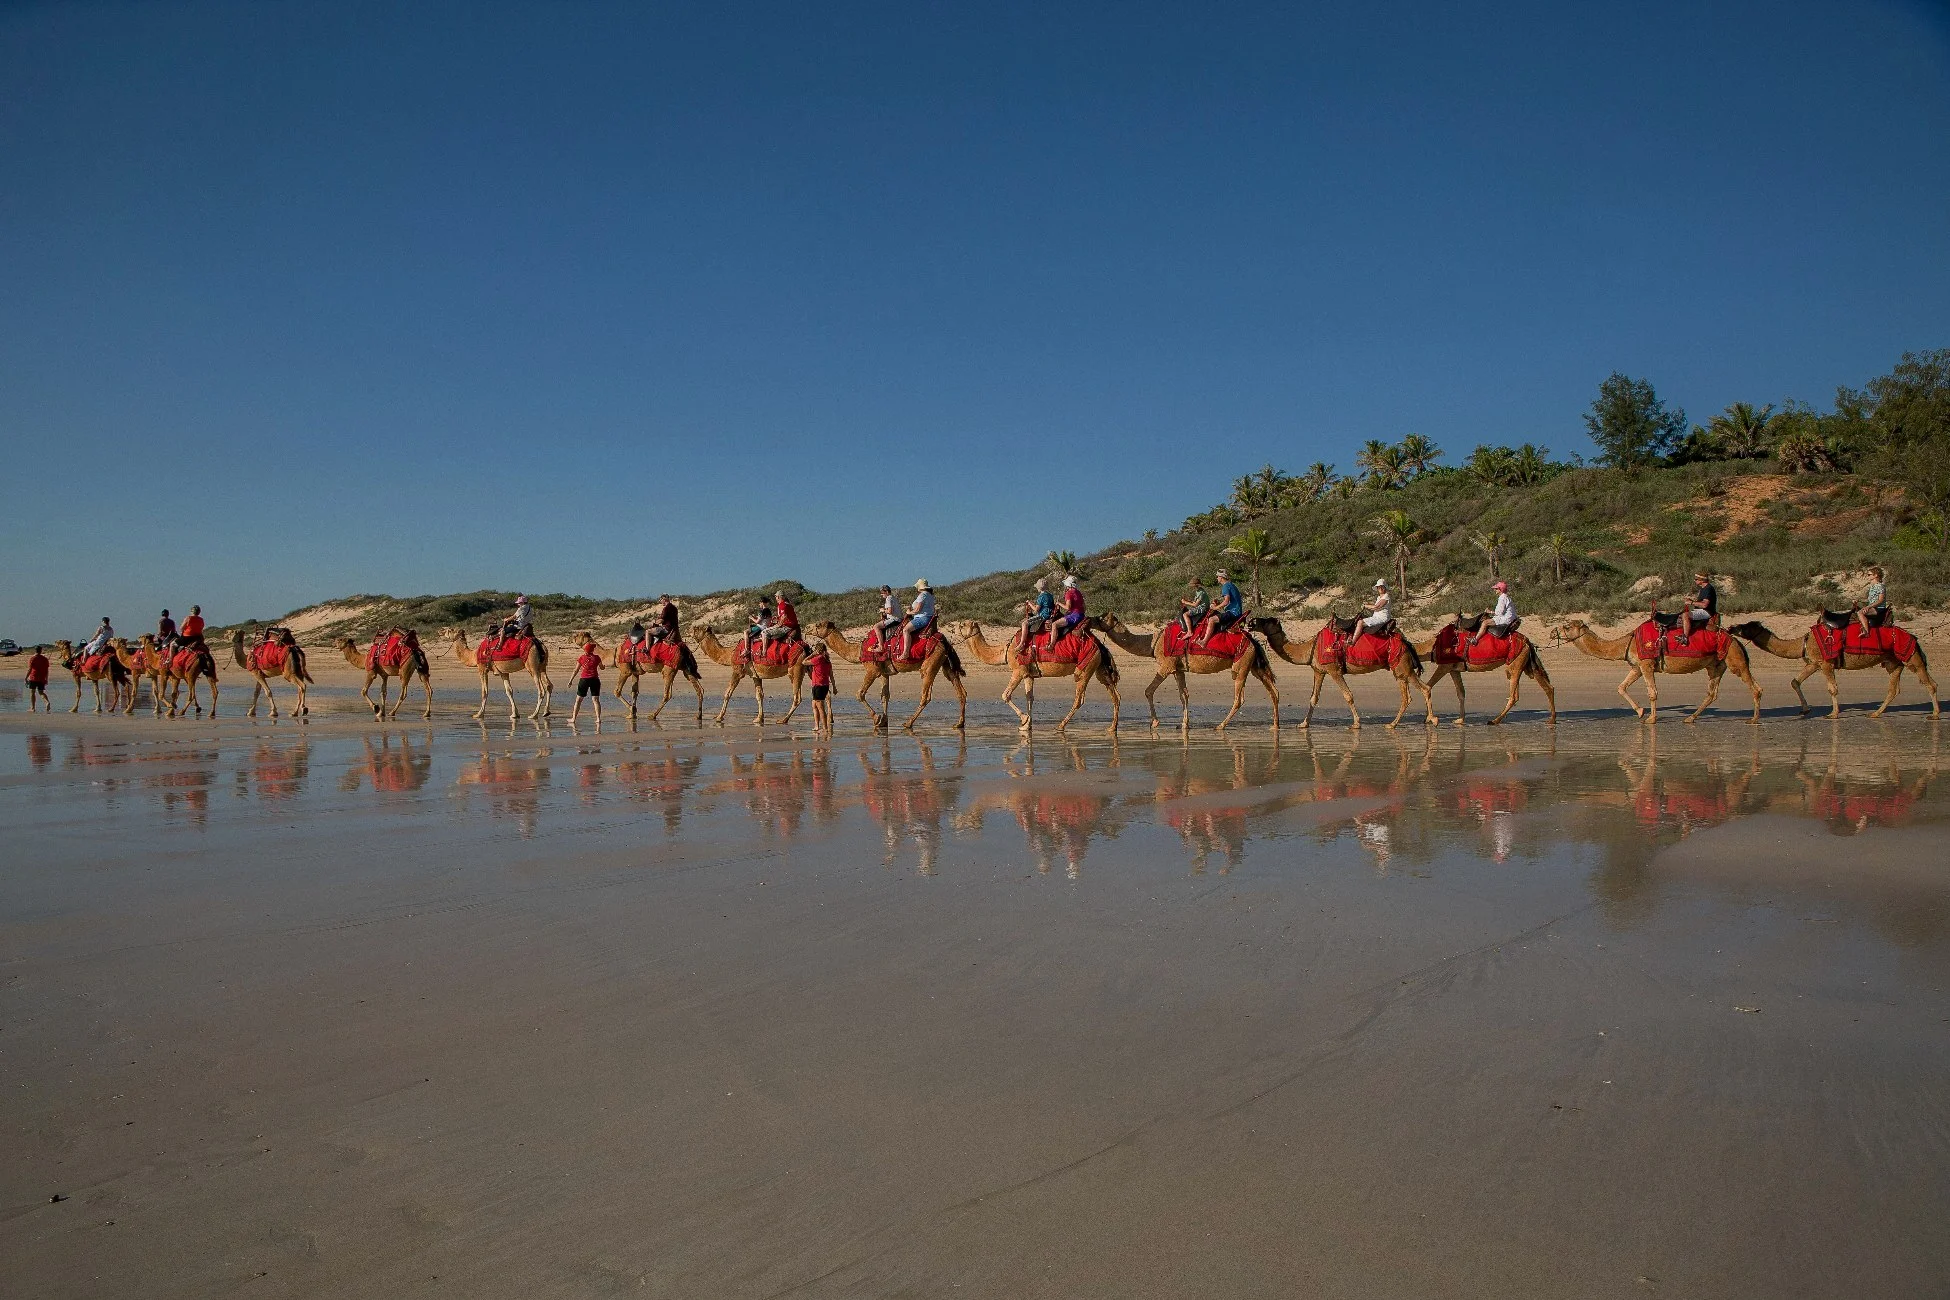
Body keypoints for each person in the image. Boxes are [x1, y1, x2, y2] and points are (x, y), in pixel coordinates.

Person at [569, 637, 604, 724]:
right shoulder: (597, 658)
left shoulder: (581, 658)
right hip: (595, 680)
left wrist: (570, 680)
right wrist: (603, 666)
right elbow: (602, 667)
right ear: (592, 650)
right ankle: (598, 719)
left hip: (584, 680)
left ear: (585, 650)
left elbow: (576, 670)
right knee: (595, 700)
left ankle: (573, 719)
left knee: (578, 700)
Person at [1203, 569, 1245, 641]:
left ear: (1221, 577)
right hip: (1237, 612)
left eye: (1217, 576)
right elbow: (1230, 602)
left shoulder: (1225, 586)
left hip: (1233, 613)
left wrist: (1215, 608)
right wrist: (1218, 604)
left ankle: (1204, 641)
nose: (1217, 578)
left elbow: (1226, 601)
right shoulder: (1231, 585)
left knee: (1211, 619)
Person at [1679, 570, 1718, 646]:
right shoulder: (1704, 588)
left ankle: (1685, 638)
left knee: (1685, 615)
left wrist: (1691, 602)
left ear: (1702, 580)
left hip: (1707, 612)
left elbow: (1704, 605)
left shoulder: (1708, 589)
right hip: (1702, 610)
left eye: (1696, 579)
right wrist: (1691, 601)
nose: (1694, 580)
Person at [901, 580, 937, 660]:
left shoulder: (922, 595)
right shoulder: (930, 595)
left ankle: (905, 653)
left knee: (905, 630)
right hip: (928, 617)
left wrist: (909, 612)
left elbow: (917, 610)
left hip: (922, 618)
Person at [1020, 577, 1058, 653]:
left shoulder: (1041, 597)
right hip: (1050, 615)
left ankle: (1021, 643)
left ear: (1039, 587)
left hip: (1043, 616)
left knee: (1024, 623)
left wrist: (1030, 603)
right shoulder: (1050, 595)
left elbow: (1036, 609)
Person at [805, 639, 835, 733]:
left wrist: (812, 654)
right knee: (814, 705)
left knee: (820, 708)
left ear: (818, 651)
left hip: (818, 685)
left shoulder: (818, 659)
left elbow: (804, 662)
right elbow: (831, 675)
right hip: (825, 685)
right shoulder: (827, 661)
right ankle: (817, 726)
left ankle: (825, 728)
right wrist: (834, 687)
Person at [1475, 580, 1516, 647]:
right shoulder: (1505, 597)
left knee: (1485, 622)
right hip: (1509, 617)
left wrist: (1489, 612)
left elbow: (1499, 613)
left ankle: (1475, 639)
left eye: (1496, 589)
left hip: (1505, 619)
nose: (1495, 590)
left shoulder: (1502, 598)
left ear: (1500, 589)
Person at [1856, 565, 1889, 638]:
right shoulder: (1872, 587)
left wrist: (1868, 607)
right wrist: (1858, 601)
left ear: (1876, 575)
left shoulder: (1880, 586)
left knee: (1860, 612)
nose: (1868, 576)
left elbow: (1880, 600)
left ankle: (1866, 632)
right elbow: (1870, 600)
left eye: (1869, 574)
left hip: (1879, 608)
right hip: (1873, 607)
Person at [1051, 575, 1084, 646]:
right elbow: (1084, 606)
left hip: (1074, 616)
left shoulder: (1069, 593)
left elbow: (1068, 607)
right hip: (1081, 615)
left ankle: (1051, 645)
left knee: (1054, 624)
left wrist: (1058, 603)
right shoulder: (1078, 592)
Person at [874, 584, 901, 653]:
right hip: (898, 618)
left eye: (882, 593)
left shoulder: (888, 598)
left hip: (894, 619)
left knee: (876, 626)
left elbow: (889, 611)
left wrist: (882, 610)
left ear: (886, 592)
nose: (881, 594)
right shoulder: (894, 598)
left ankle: (881, 647)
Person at [25, 645, 50, 712]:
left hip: (33, 677)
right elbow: (47, 670)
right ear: (41, 650)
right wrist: (46, 679)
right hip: (42, 678)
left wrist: (26, 677)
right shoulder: (45, 659)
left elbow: (30, 669)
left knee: (32, 692)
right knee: (41, 692)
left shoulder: (32, 658)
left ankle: (33, 708)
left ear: (35, 650)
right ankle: (47, 702)